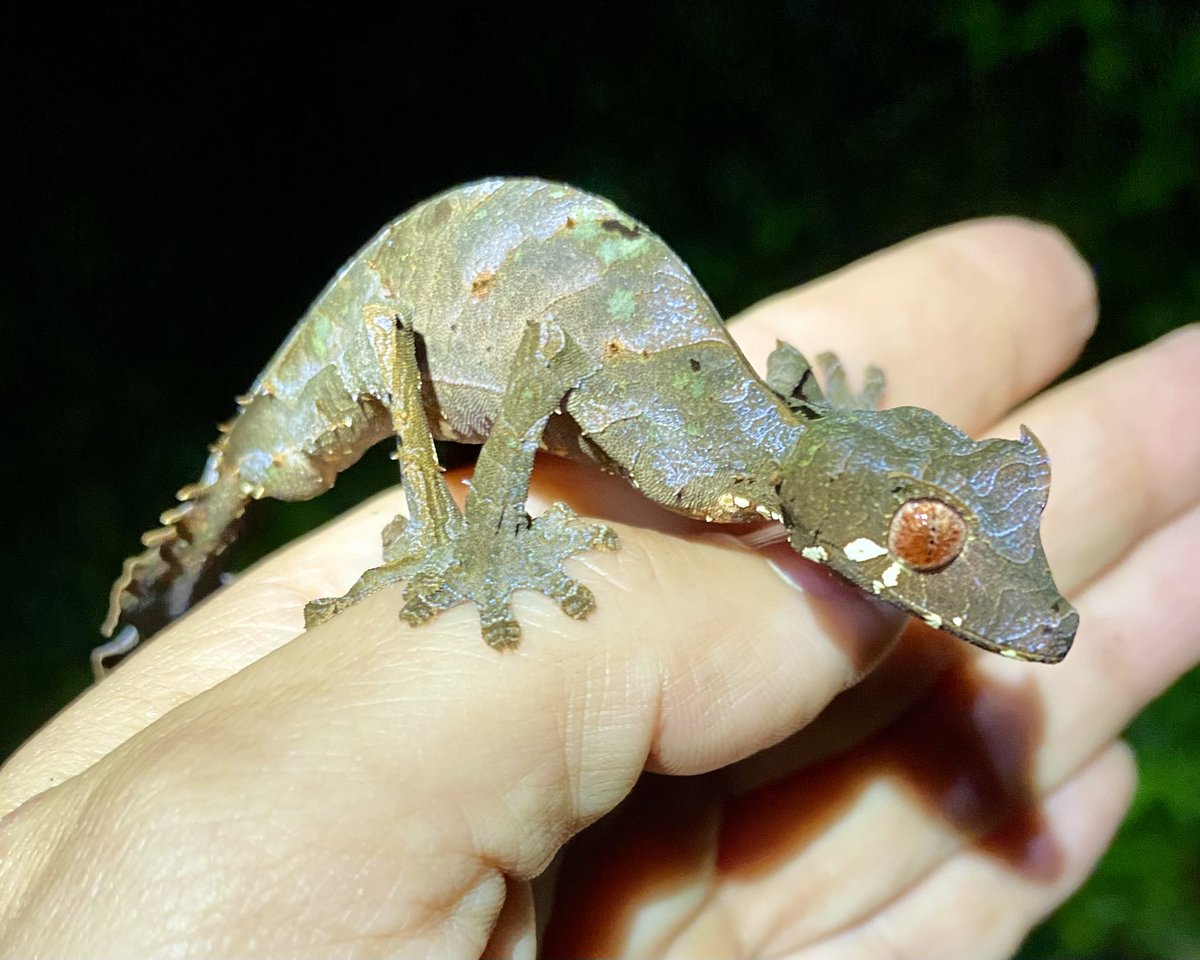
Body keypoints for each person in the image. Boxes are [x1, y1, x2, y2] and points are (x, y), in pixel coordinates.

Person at [1, 217, 1197, 959]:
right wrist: (472, 533)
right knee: (281, 471)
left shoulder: (777, 456)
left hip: (491, 298)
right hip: (394, 329)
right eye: (931, 540)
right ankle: (377, 551)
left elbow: (813, 436)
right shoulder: (699, 463)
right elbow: (541, 355)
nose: (966, 575)